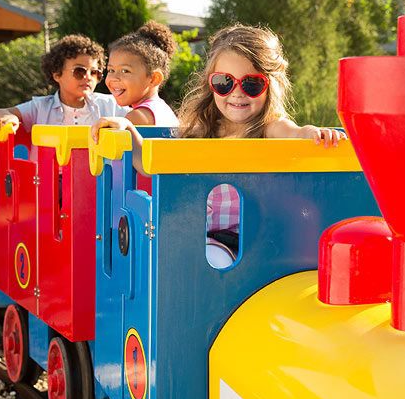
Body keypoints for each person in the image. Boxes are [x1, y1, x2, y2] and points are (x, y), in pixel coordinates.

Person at [90, 24, 346, 267]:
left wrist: (316, 134)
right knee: (150, 253)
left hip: (247, 240)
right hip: (199, 232)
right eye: (224, 82)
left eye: (251, 84)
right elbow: (151, 163)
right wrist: (128, 130)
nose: (237, 93)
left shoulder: (268, 128)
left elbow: (297, 133)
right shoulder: (205, 129)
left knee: (205, 258)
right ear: (210, 84)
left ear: (270, 86)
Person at [0, 34, 129, 132]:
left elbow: (141, 117)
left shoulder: (110, 105)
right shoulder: (40, 107)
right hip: (51, 173)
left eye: (94, 72)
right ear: (57, 74)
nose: (88, 77)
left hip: (97, 173)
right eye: (79, 71)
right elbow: (1, 112)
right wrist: (9, 118)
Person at [96, 20, 178, 128]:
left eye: (125, 71)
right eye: (111, 70)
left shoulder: (137, 118)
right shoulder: (163, 109)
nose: (114, 78)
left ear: (154, 79)